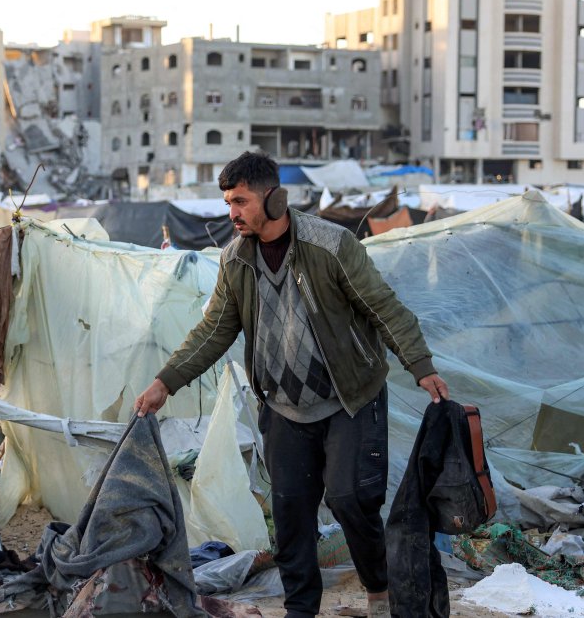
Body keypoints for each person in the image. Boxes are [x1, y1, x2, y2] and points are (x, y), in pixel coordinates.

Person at [133, 152, 449, 618]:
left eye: (240, 200)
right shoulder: (235, 260)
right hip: (283, 408)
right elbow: (215, 330)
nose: (232, 213)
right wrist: (166, 382)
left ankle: (379, 590)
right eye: (227, 202)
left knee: (350, 498)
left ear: (274, 198)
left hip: (350, 398)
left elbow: (383, 307)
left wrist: (421, 366)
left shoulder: (331, 245)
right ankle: (301, 610)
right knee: (291, 515)